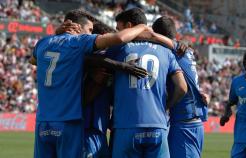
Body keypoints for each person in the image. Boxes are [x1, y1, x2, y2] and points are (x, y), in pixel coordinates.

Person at [32, 9, 164, 158]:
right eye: (89, 30)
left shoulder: (44, 43)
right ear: (77, 27)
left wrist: (57, 36)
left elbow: (34, 60)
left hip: (51, 122)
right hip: (81, 126)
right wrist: (142, 28)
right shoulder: (80, 46)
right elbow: (115, 41)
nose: (91, 34)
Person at [106, 8, 188, 158]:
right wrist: (166, 106)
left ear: (129, 27)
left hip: (127, 124)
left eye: (118, 29)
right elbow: (182, 87)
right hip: (158, 125)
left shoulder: (118, 48)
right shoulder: (166, 51)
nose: (117, 34)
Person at [152, 16, 209, 158]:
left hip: (185, 124)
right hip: (190, 121)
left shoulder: (175, 51)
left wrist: (167, 106)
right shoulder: (185, 50)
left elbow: (182, 88)